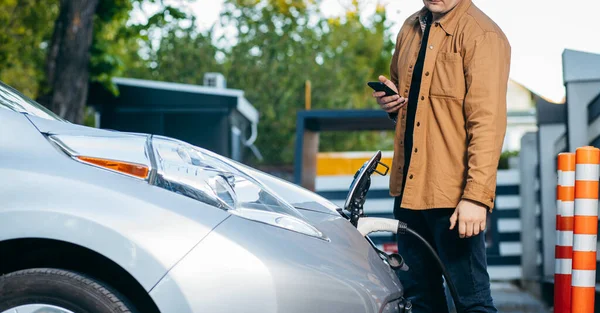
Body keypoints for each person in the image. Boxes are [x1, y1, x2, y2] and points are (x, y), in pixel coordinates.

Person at [372, 0, 511, 312]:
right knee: (420, 301)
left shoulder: (482, 35)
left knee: (472, 302)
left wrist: (476, 198)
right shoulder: (409, 28)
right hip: (409, 192)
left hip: (454, 198)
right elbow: (416, 108)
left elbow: (488, 125)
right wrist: (392, 106)